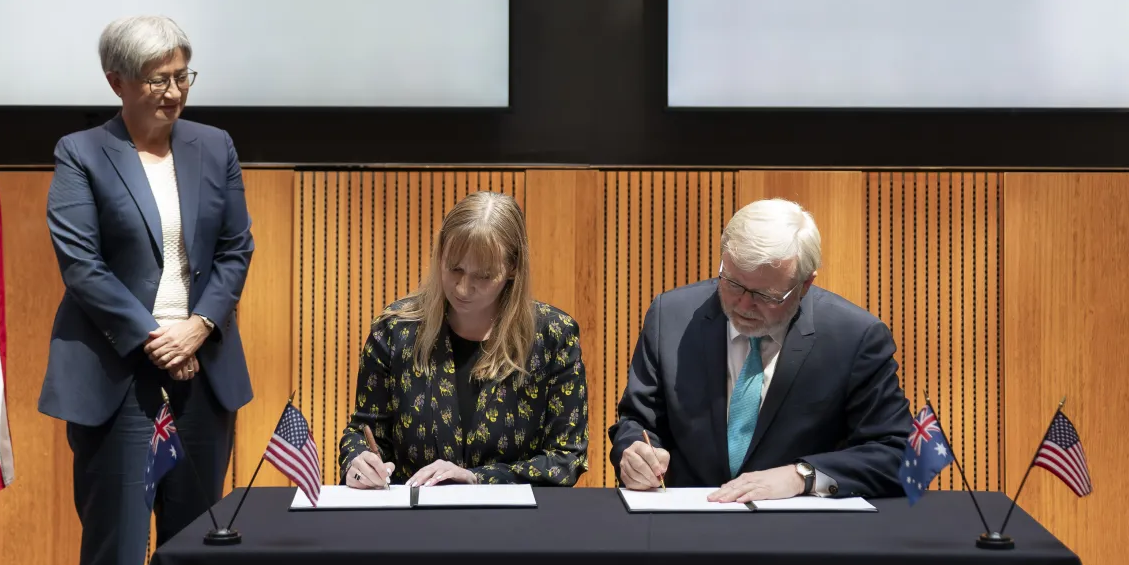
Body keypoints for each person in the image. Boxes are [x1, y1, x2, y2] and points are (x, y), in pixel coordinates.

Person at [38, 16, 254, 565]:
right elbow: (82, 265)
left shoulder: (215, 146)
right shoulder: (80, 153)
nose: (175, 92)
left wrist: (200, 326)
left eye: (183, 75)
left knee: (192, 556)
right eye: (159, 80)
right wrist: (157, 339)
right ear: (118, 82)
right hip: (119, 375)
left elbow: (237, 249)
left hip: (202, 371)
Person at [610, 198, 911, 501]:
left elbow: (896, 453)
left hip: (801, 532)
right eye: (732, 283)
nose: (742, 305)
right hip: (689, 521)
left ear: (805, 284)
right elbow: (637, 421)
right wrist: (635, 452)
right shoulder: (671, 317)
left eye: (765, 295)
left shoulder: (854, 337)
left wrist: (802, 476)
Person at [340, 191, 588, 488]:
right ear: (440, 253)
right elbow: (363, 432)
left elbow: (566, 458)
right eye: (454, 268)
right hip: (413, 523)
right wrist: (357, 462)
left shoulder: (553, 336)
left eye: (483, 276)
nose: (462, 288)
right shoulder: (394, 330)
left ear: (512, 269)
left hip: (513, 526)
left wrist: (477, 479)